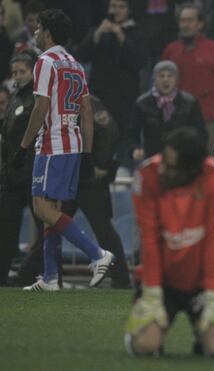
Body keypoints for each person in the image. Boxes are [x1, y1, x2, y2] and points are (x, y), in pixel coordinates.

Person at [12, 8, 114, 291]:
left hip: (52, 143)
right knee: (53, 208)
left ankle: (97, 254)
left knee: (41, 207)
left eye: (37, 27)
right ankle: (50, 276)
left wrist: (22, 146)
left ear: (47, 31)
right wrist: (87, 154)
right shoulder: (75, 63)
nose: (34, 32)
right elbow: (87, 112)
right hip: (73, 143)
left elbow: (41, 107)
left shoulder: (45, 62)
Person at [124, 127, 214, 357]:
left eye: (172, 165)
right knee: (145, 346)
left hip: (201, 283)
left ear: (191, 169)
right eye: (165, 159)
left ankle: (204, 337)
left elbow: (213, 243)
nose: (163, 168)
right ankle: (144, 334)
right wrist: (153, 291)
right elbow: (150, 239)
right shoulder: (148, 175)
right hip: (163, 282)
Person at [13, 94, 131, 289]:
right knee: (53, 218)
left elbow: (109, 131)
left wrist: (101, 164)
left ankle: (119, 276)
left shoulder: (87, 101)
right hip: (68, 173)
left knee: (99, 228)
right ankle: (39, 275)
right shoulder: (54, 102)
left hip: (85, 178)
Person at [76, 0, 145, 168]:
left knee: (124, 143)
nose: (116, 11)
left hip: (126, 100)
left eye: (121, 7)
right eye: (113, 6)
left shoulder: (138, 32)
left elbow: (140, 61)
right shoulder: (98, 31)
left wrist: (122, 37)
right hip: (100, 100)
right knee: (99, 141)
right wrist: (97, 35)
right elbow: (81, 56)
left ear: (129, 10)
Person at [161, 2, 214, 153]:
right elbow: (159, 83)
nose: (185, 25)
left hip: (209, 121)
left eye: (190, 20)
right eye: (182, 20)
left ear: (200, 24)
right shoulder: (171, 51)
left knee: (209, 167)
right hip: (177, 122)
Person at [0, 50, 43, 286]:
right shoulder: (16, 98)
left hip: (33, 176)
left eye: (22, 72)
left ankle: (34, 274)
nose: (17, 77)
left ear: (33, 72)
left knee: (46, 229)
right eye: (15, 72)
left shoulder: (39, 99)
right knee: (5, 230)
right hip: (13, 178)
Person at [128, 60, 207, 162]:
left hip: (182, 160)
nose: (166, 80)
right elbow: (131, 134)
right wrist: (134, 149)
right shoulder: (142, 103)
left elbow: (201, 134)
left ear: (176, 79)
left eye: (170, 76)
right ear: (154, 79)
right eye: (161, 76)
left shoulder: (190, 102)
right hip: (152, 159)